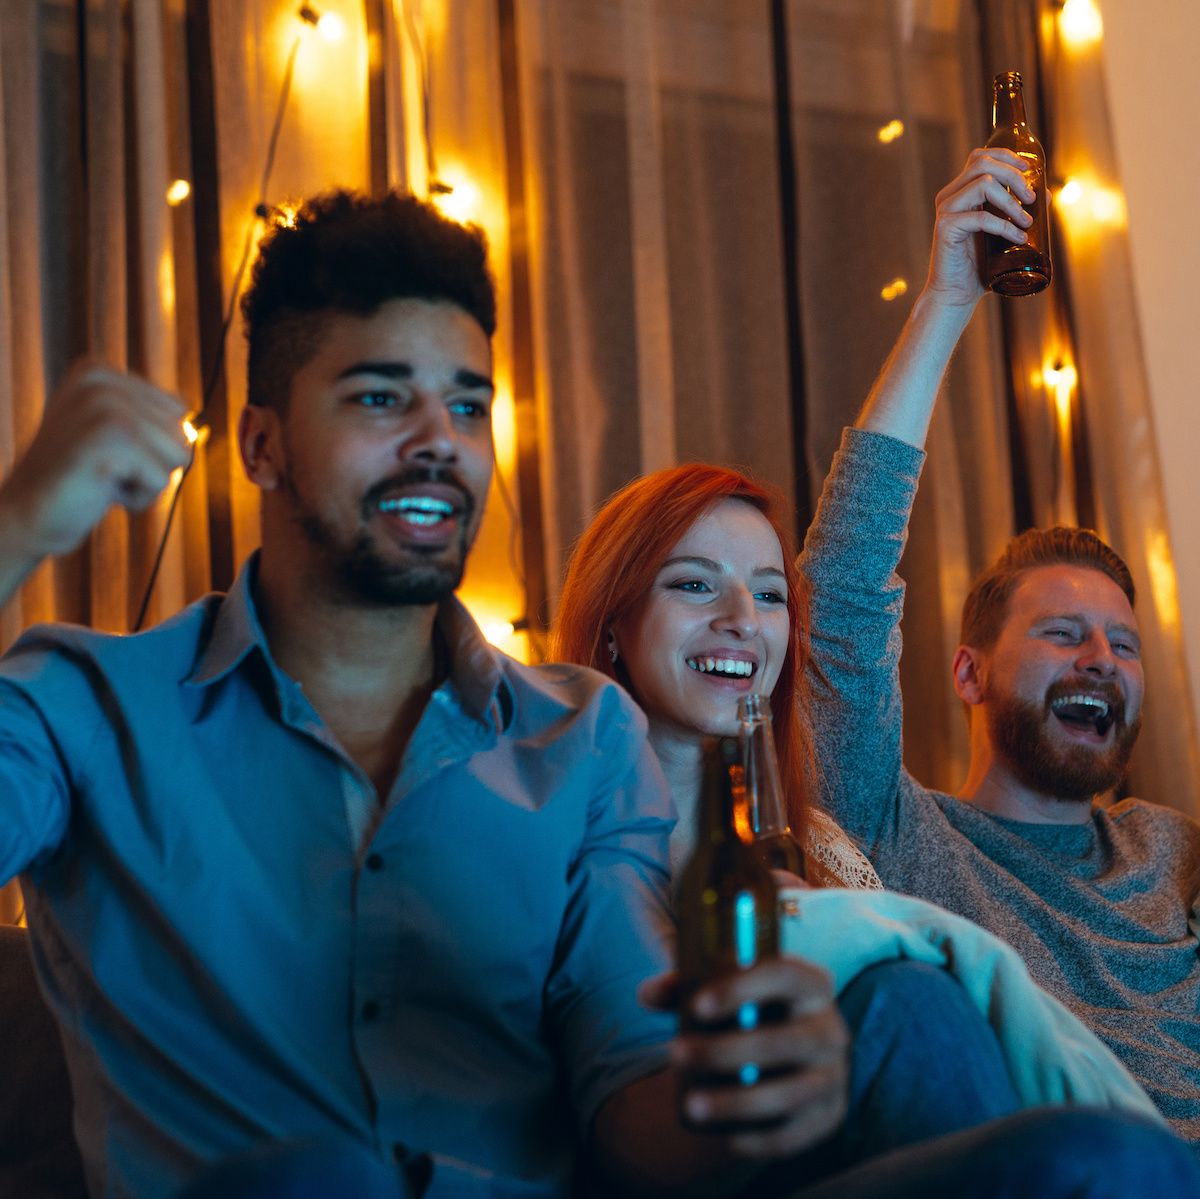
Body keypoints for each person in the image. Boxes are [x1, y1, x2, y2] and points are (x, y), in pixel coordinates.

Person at [0, 192, 845, 1199]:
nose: (440, 439)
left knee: (1060, 1149)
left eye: (470, 404)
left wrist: (742, 1092)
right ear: (261, 443)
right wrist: (16, 527)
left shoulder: (582, 736)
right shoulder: (87, 706)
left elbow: (631, 1088)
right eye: (379, 396)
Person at [549, 453, 1191, 1185]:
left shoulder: (822, 845)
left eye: (768, 595)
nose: (741, 619)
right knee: (920, 1009)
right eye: (695, 584)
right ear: (612, 623)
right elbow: (853, 580)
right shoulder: (564, 834)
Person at [799, 144, 1200, 1145]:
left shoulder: (1174, 850)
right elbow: (840, 599)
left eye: (1122, 642)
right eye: (1063, 634)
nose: (1100, 658)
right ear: (968, 671)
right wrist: (946, 300)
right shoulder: (897, 832)